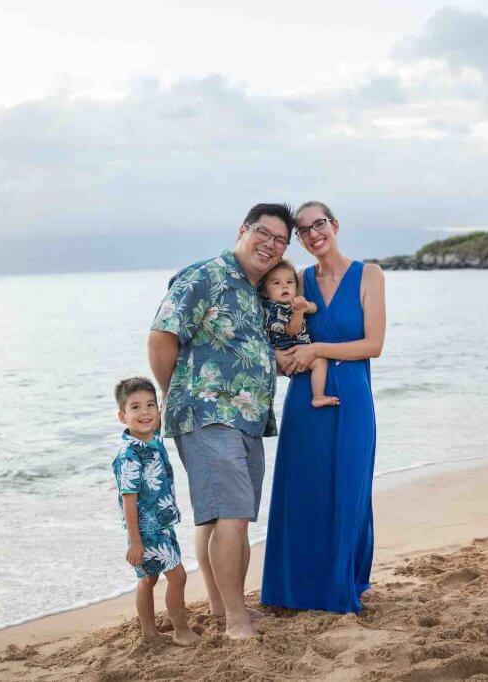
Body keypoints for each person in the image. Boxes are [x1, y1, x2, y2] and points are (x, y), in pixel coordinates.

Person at [148, 203, 295, 639]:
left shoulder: (256, 291)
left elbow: (245, 351)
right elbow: (161, 337)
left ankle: (219, 605)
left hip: (248, 418)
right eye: (263, 234)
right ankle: (236, 619)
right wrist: (172, 392)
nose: (270, 245)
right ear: (243, 230)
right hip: (207, 413)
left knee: (218, 517)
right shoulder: (205, 275)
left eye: (280, 240)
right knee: (232, 514)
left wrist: (282, 359)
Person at [261, 200, 386, 614]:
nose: (313, 234)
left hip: (353, 397)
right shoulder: (297, 280)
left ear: (335, 224)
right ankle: (294, 588)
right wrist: (281, 357)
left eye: (319, 224)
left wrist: (317, 348)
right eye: (303, 230)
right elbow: (276, 330)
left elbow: (374, 346)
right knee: (305, 489)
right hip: (305, 401)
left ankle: (341, 581)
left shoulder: (369, 274)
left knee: (349, 487)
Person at [111, 376, 199, 646]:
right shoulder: (130, 456)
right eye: (135, 408)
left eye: (150, 405)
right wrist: (135, 541)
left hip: (161, 523)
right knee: (178, 576)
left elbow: (158, 412)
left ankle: (149, 633)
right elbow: (128, 501)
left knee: (148, 579)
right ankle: (181, 630)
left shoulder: (152, 438)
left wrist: (168, 386)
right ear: (122, 416)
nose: (145, 412)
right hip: (149, 529)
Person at [260, 259, 339, 408]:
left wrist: (307, 306)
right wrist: (298, 311)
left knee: (320, 362)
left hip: (299, 350)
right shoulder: (272, 309)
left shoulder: (293, 303)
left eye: (289, 282)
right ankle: (318, 396)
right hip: (287, 354)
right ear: (265, 291)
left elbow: (315, 308)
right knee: (320, 362)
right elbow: (292, 330)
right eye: (276, 283)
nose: (284, 286)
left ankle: (317, 396)